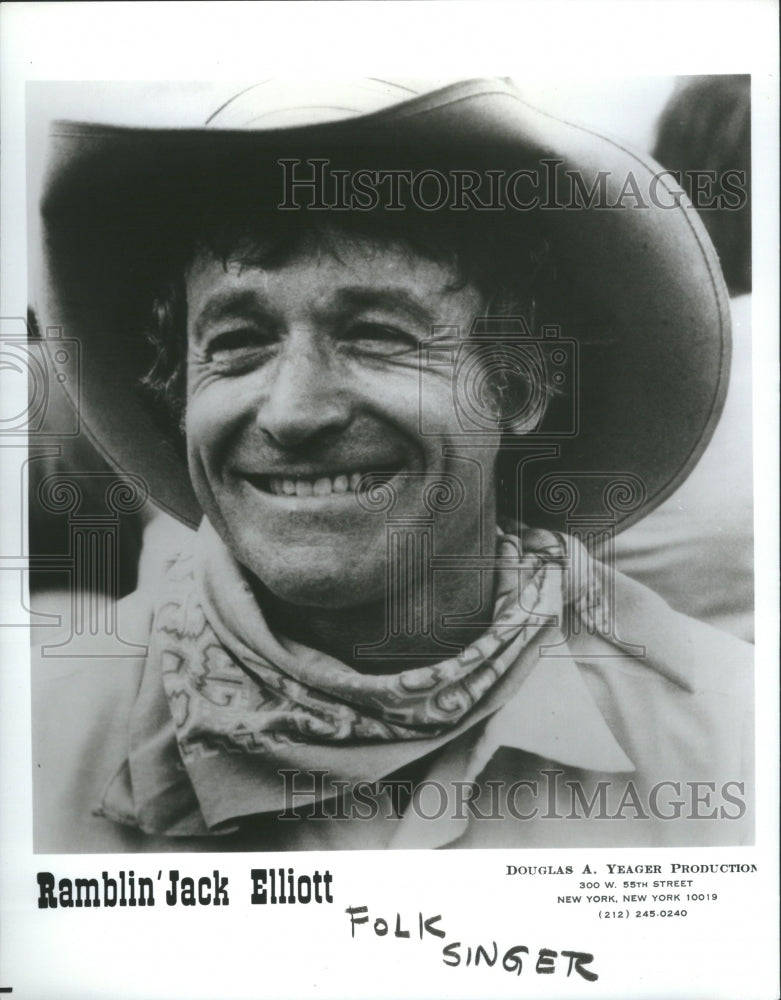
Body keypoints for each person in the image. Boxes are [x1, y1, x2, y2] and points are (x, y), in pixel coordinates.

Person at [30, 78, 753, 852]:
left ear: (518, 382)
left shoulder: (721, 734)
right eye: (238, 342)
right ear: (178, 390)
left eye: (377, 333)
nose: (292, 411)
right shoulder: (44, 739)